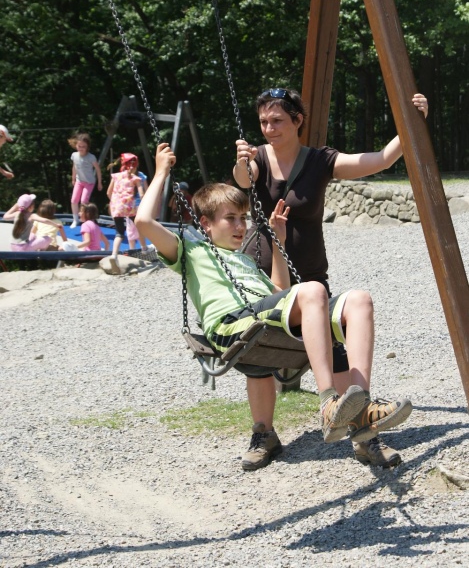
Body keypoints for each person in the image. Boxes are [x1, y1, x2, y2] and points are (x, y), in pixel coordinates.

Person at [136, 143, 412, 471]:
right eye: (230, 219)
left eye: (243, 218)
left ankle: (361, 408)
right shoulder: (191, 250)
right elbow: (143, 221)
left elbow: (281, 292)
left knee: (359, 300)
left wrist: (278, 244)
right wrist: (161, 172)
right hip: (231, 324)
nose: (241, 226)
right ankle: (328, 402)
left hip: (263, 317)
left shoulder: (245, 261)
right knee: (312, 290)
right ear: (206, 224)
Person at [232, 87, 428, 468]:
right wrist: (242, 161)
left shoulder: (320, 161)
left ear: (298, 121)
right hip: (268, 285)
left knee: (356, 310)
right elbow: (242, 179)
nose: (269, 129)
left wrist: (411, 123)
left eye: (277, 121)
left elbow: (379, 160)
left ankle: (362, 426)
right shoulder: (256, 160)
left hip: (313, 283)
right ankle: (264, 433)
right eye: (263, 122)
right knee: (259, 353)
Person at [107, 153, 144, 274]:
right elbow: (142, 194)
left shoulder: (116, 176)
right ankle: (144, 248)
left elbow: (108, 192)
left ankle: (114, 255)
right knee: (139, 226)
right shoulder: (136, 178)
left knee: (119, 232)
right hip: (129, 207)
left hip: (116, 207)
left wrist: (115, 202)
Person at [3, 194, 68, 252]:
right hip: (24, 249)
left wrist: (15, 206)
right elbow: (45, 220)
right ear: (30, 207)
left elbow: (5, 217)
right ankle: (41, 251)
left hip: (13, 247)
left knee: (33, 235)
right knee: (47, 239)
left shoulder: (17, 214)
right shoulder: (31, 216)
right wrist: (55, 225)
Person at [68, 132, 103, 228]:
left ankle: (85, 219)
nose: (81, 148)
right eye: (79, 146)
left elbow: (98, 169)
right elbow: (74, 167)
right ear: (76, 145)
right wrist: (73, 178)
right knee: (74, 200)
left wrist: (99, 182)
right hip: (79, 181)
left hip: (89, 182)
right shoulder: (74, 155)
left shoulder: (91, 157)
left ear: (87, 147)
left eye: (83, 147)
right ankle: (75, 219)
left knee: (84, 201)